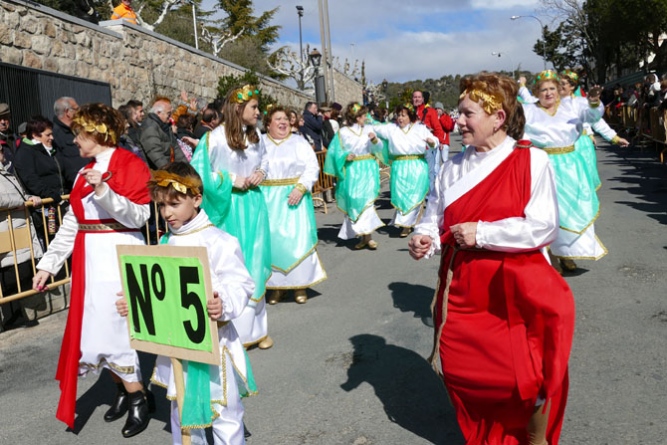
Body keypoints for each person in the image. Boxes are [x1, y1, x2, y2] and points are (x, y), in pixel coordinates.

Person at [409, 73, 575, 445]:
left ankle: (533, 437)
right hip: (462, 288)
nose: (458, 121)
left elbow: (544, 227)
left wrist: (484, 234)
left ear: (498, 117)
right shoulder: (451, 167)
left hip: (513, 290)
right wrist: (424, 236)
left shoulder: (532, 160)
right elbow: (434, 215)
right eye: (459, 113)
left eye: (468, 114)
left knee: (524, 376)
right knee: (462, 371)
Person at [32, 103, 153, 437]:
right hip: (90, 262)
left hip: (118, 256)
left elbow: (140, 216)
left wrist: (104, 190)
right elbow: (72, 223)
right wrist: (48, 266)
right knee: (96, 330)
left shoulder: (130, 164)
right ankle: (122, 391)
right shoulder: (83, 171)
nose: (74, 141)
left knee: (117, 328)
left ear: (98, 133)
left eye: (79, 134)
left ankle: (139, 397)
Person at [116, 162, 256, 445]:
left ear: (197, 199)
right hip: (178, 347)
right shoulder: (165, 243)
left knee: (224, 410)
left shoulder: (219, 241)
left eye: (174, 204)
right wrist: (136, 306)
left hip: (214, 344)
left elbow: (241, 284)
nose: (167, 213)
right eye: (161, 205)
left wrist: (223, 304)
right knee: (182, 414)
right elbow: (159, 292)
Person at [190, 85, 273, 350]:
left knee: (256, 260)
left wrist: (261, 172)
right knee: (235, 264)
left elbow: (264, 160)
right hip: (228, 208)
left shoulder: (256, 136)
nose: (258, 112)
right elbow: (199, 174)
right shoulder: (214, 139)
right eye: (254, 107)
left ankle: (259, 329)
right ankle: (239, 333)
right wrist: (230, 179)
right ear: (238, 108)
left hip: (254, 205)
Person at [520, 70, 607, 271]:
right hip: (543, 164)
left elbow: (593, 116)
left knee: (572, 211)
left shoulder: (572, 105)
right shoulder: (528, 110)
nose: (548, 93)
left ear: (559, 90)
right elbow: (518, 134)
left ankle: (566, 252)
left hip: (571, 166)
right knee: (546, 212)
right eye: (543, 89)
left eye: (552, 88)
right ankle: (549, 255)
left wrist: (594, 101)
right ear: (536, 92)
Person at [259, 106, 327, 305]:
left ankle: (299, 285)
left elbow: (312, 166)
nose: (283, 122)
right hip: (268, 200)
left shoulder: (299, 142)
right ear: (268, 124)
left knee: (297, 242)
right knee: (272, 243)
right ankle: (276, 287)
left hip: (294, 198)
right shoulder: (259, 143)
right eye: (278, 119)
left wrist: (301, 187)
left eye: (286, 119)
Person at [324, 102, 384, 249]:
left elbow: (380, 147)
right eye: (363, 115)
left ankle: (368, 237)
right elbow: (334, 152)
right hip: (352, 170)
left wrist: (375, 140)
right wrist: (345, 156)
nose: (366, 117)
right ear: (357, 117)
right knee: (355, 200)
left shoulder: (369, 129)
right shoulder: (343, 132)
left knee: (367, 201)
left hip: (368, 169)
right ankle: (362, 235)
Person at [559, 70, 629, 192]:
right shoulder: (551, 104)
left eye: (563, 83)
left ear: (572, 87)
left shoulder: (581, 104)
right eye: (558, 83)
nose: (559, 86)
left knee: (584, 185)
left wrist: (615, 138)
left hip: (581, 146)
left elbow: (597, 121)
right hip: (560, 148)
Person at [371, 104, 434, 237]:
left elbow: (434, 141)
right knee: (402, 195)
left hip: (417, 165)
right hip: (399, 166)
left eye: (403, 115)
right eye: (398, 115)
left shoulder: (420, 129)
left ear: (410, 117)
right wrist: (363, 117)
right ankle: (408, 222)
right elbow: (376, 127)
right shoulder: (391, 129)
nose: (400, 118)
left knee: (415, 195)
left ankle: (407, 225)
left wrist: (431, 141)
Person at [0, 145, 44, 331]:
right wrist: (21, 202)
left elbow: (18, 194)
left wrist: (29, 198)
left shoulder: (6, 172)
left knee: (19, 270)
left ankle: (15, 316)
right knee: (9, 273)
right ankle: (11, 318)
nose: (3, 153)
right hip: (6, 230)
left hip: (15, 229)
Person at [139, 96, 187, 169]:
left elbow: (176, 149)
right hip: (158, 172)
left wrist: (187, 168)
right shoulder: (150, 128)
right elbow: (156, 155)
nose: (170, 117)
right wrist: (170, 172)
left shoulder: (166, 126)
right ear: (158, 113)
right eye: (168, 114)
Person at [53, 97, 88, 192]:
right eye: (77, 109)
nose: (79, 112)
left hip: (89, 181)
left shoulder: (76, 130)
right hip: (75, 186)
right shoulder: (55, 135)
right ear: (67, 112)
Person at [412, 90, 445, 188]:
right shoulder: (409, 113)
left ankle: (429, 194)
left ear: (423, 99)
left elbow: (438, 128)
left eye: (419, 97)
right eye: (415, 97)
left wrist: (439, 142)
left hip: (427, 148)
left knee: (428, 173)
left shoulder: (430, 111)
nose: (417, 99)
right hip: (413, 149)